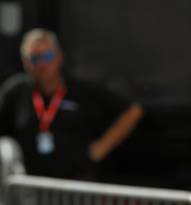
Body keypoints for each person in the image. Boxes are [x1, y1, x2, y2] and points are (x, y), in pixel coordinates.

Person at [0, 28, 143, 181]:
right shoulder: (16, 91)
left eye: (47, 56)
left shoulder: (81, 89)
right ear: (25, 62)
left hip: (76, 185)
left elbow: (133, 110)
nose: (42, 64)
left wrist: (100, 149)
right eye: (35, 58)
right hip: (31, 184)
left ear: (59, 58)